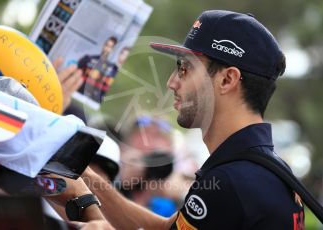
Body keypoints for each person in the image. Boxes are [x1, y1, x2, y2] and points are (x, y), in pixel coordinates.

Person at [80, 10, 305, 229]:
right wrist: (86, 177)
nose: (171, 82)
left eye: (185, 68)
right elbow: (167, 227)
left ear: (227, 80)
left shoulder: (231, 181)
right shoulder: (259, 168)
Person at [77, 36, 118, 103]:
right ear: (103, 45)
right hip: (78, 95)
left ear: (113, 50)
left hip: (93, 102)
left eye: (110, 47)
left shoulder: (112, 69)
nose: (106, 49)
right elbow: (76, 74)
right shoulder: (88, 59)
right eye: (106, 45)